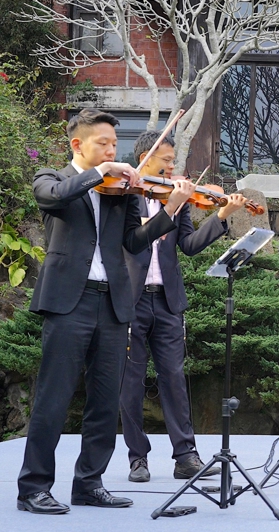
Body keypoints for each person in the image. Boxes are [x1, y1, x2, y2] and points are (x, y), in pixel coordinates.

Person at [17, 109, 191, 514]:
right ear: (78, 144)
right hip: (68, 303)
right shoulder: (55, 178)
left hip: (113, 302)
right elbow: (51, 199)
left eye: (115, 144)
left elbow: (134, 242)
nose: (113, 150)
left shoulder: (123, 191)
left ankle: (89, 483)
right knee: (53, 397)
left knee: (104, 399)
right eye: (104, 144)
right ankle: (32, 489)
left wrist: (171, 210)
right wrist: (100, 173)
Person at [119, 131, 248, 483]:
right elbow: (126, 242)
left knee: (174, 378)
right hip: (131, 299)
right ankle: (137, 458)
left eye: (174, 160)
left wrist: (222, 216)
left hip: (167, 299)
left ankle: (186, 455)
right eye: (167, 160)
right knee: (130, 382)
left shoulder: (178, 195)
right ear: (146, 157)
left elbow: (188, 245)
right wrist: (168, 208)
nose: (174, 167)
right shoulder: (123, 193)